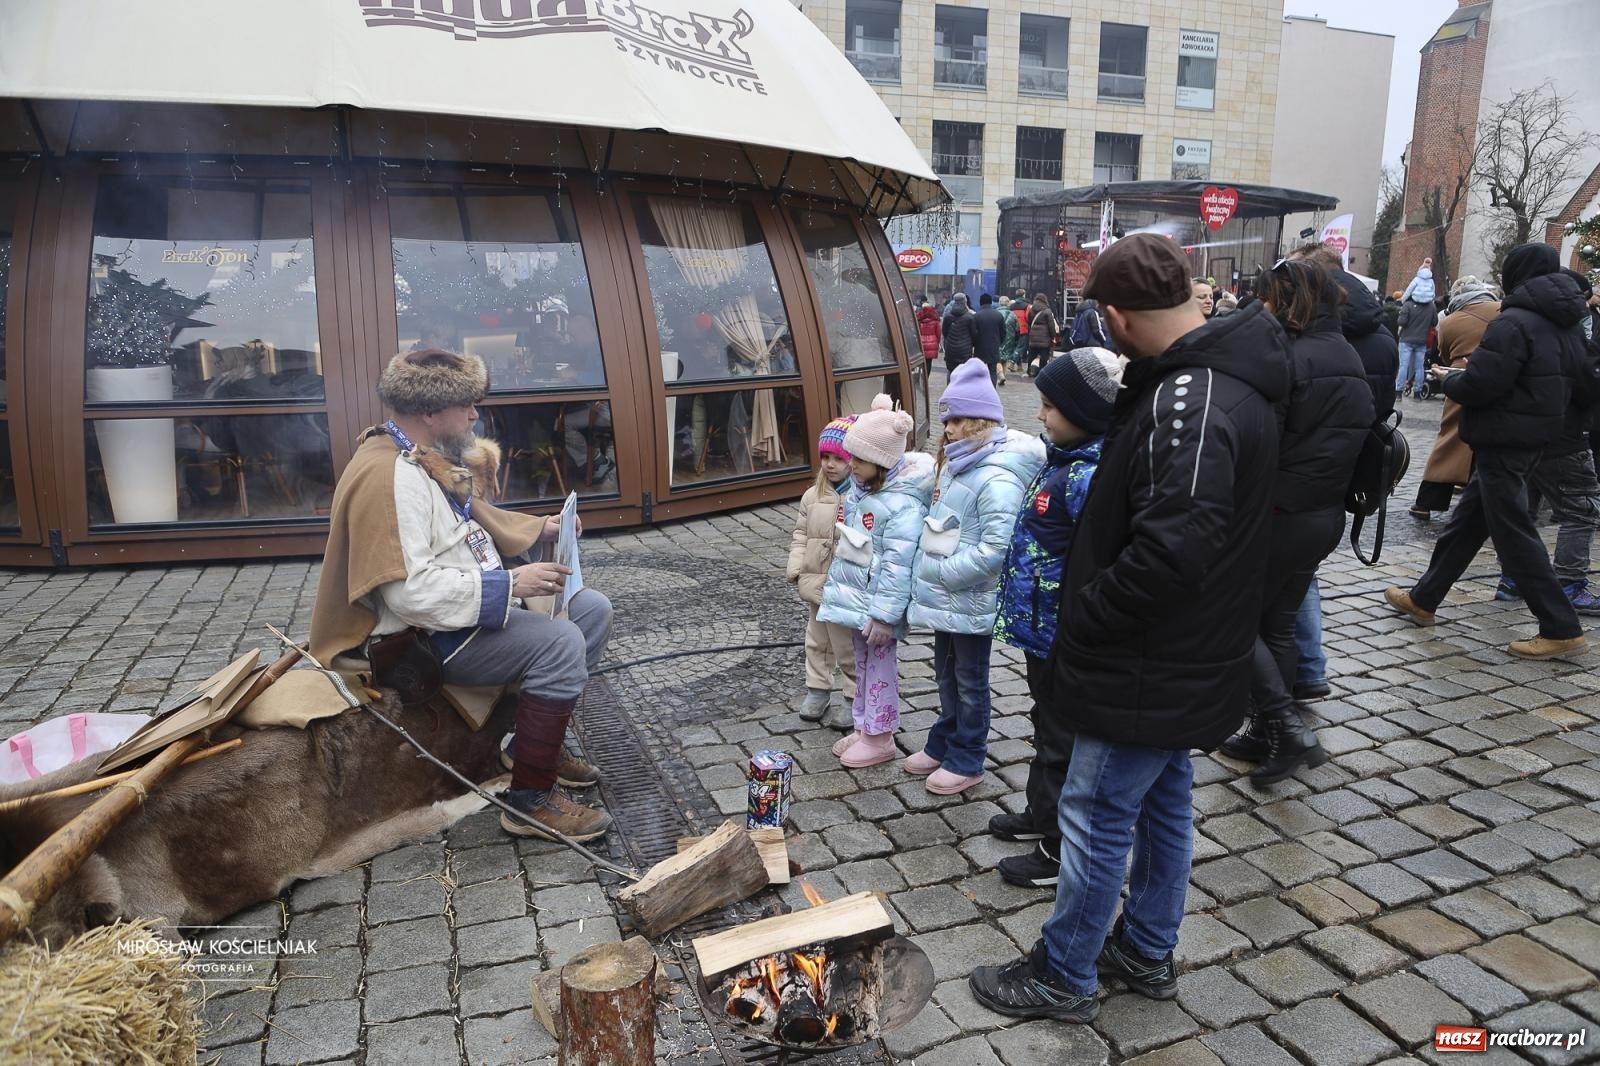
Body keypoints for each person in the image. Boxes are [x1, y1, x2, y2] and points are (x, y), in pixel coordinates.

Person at [968, 234, 1289, 1023]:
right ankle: (1145, 949)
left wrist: (1090, 614)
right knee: (1164, 803)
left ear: (1115, 316)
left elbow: (1174, 548)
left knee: (1098, 813)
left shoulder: (1194, 397)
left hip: (1149, 658)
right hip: (1182, 655)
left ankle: (1065, 972)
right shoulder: (1211, 379)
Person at [308, 348, 613, 842]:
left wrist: (542, 529)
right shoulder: (389, 476)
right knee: (560, 642)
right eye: (467, 404)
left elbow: (470, 523)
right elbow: (409, 595)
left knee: (591, 609)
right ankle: (529, 802)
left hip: (467, 606)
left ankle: (533, 747)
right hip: (422, 640)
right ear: (430, 411)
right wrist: (512, 584)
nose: (475, 414)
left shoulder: (417, 453)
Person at [1383, 243, 1590, 660]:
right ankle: (1425, 597)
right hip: (1537, 435)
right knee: (1469, 521)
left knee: (1513, 532)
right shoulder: (1566, 322)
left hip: (1504, 436)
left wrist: (1452, 379)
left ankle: (1560, 625)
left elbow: (1483, 384)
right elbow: (1580, 382)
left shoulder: (1513, 321)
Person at [1218, 260, 1373, 785]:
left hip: (1277, 514)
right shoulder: (1346, 353)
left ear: (1285, 302)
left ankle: (1284, 730)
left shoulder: (1288, 357)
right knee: (1277, 624)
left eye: (1265, 297)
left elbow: (1262, 441)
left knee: (1234, 619)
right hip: (1322, 514)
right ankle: (1268, 732)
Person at [989, 348, 1119, 888]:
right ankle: (1040, 815)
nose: (1040, 416)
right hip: (1040, 629)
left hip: (1064, 630)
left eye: (1049, 406)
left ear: (1085, 412)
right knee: (1045, 724)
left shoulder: (1089, 473)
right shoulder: (1062, 458)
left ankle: (1058, 848)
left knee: (1064, 739)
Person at [906, 360, 1044, 795]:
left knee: (969, 679)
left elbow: (995, 547)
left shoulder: (996, 475)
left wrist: (946, 572)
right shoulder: (955, 463)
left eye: (959, 419)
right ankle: (946, 737)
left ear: (983, 419)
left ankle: (968, 754)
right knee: (945, 672)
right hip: (949, 597)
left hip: (970, 596)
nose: (949, 429)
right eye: (947, 420)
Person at [1283, 244, 1400, 700]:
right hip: (1343, 471)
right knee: (1303, 572)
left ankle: (1306, 670)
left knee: (1291, 577)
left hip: (1299, 473)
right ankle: (1309, 668)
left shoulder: (1308, 338)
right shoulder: (1380, 334)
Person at [817, 395, 933, 768]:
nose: (850, 465)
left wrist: (885, 614)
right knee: (861, 664)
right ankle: (864, 724)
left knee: (879, 667)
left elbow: (899, 565)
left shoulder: (901, 505)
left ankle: (880, 735)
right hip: (858, 599)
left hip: (878, 607)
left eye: (859, 459)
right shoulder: (861, 491)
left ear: (881, 462)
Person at [1516, 268, 1600, 615]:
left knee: (1524, 508)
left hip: (1526, 432)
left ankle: (1514, 577)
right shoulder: (1575, 327)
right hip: (1565, 433)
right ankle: (1568, 582)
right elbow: (1587, 381)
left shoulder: (1521, 319)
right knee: (1581, 509)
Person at [787, 416, 860, 729]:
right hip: (817, 580)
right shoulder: (812, 496)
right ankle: (817, 689)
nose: (830, 465)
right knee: (816, 641)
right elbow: (801, 534)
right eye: (825, 458)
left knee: (847, 646)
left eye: (838, 458)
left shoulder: (859, 498)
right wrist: (796, 565)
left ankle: (852, 696)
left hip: (845, 587)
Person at [1410, 278, 1501, 519]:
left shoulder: (1449, 321)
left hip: (1460, 375)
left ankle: (1426, 502)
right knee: (1493, 440)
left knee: (1450, 439)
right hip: (1498, 376)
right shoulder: (1503, 311)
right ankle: (1481, 501)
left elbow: (1445, 353)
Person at [1397, 290, 1438, 400]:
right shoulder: (1431, 306)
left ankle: (1399, 392)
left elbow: (1401, 321)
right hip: (1422, 340)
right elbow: (1434, 322)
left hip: (1406, 339)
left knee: (1403, 366)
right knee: (1419, 367)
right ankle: (1417, 392)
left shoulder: (1408, 305)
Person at [973, 294, 1008, 385]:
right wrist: (998, 342)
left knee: (979, 370)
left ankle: (980, 388)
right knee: (992, 370)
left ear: (981, 302)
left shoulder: (976, 316)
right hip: (993, 347)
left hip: (979, 348)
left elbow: (973, 333)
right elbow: (1003, 332)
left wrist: (975, 343)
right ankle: (992, 389)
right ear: (991, 302)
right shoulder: (998, 315)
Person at [942, 293, 978, 373]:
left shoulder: (948, 317)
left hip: (950, 349)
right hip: (965, 350)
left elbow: (944, 332)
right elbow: (974, 335)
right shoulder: (969, 317)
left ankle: (951, 385)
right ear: (965, 302)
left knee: (951, 371)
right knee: (964, 372)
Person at [1028, 294, 1061, 371]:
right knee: (1044, 356)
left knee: (1032, 355)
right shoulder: (1047, 311)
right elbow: (1051, 325)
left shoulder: (1031, 310)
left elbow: (1029, 322)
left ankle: (1029, 370)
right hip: (1045, 337)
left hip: (1033, 336)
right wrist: (1053, 336)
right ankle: (1042, 370)